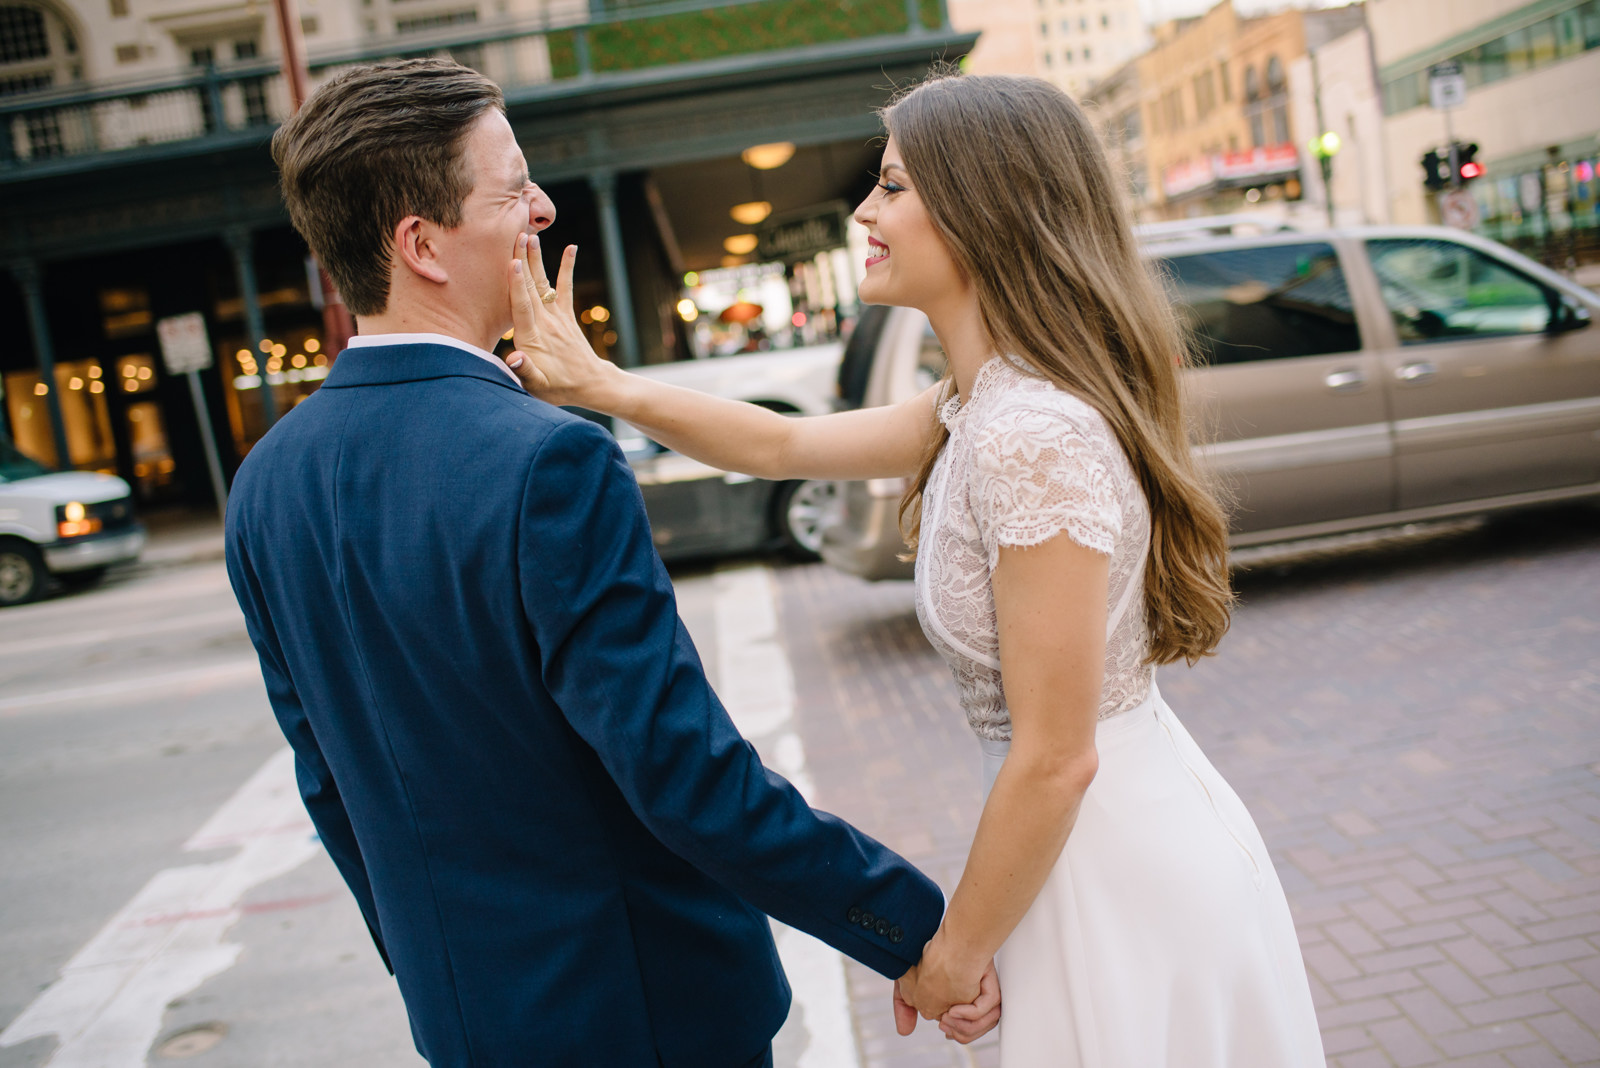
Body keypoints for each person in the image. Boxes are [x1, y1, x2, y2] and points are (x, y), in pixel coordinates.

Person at [502, 72, 1327, 1066]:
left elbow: (1055, 758)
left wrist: (952, 955)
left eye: (892, 186)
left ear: (984, 206)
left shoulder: (1030, 433)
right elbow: (775, 447)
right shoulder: (977, 405)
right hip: (1068, 850)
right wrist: (598, 383)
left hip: (1108, 858)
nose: (863, 212)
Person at [225, 58, 998, 1068]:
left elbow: (329, 787)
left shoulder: (263, 486)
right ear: (420, 243)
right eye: (512, 188)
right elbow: (681, 775)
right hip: (645, 1013)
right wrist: (908, 923)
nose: (542, 208)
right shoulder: (546, 461)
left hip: (471, 1021)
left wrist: (440, 974)